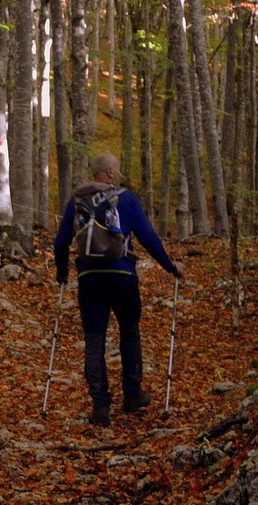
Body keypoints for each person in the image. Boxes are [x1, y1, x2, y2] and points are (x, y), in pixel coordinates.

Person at [54, 152, 184, 427]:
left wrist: (62, 273)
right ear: (110, 173)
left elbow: (61, 242)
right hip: (122, 274)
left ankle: (100, 406)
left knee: (94, 340)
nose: (120, 175)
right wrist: (170, 267)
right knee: (129, 332)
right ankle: (133, 394)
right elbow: (148, 238)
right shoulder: (125, 198)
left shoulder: (77, 201)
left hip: (90, 278)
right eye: (119, 170)